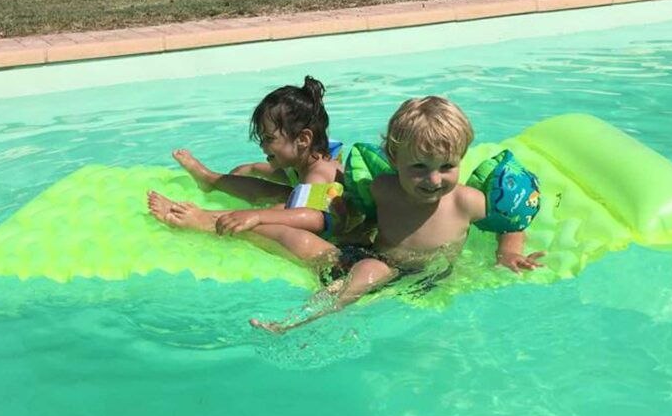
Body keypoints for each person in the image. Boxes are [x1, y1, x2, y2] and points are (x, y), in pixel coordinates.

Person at [249, 96, 545, 333]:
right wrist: (351, 227)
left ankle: (296, 321)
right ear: (394, 159)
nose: (434, 180)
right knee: (303, 242)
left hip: (424, 276)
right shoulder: (383, 188)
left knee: (369, 270)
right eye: (419, 167)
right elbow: (367, 218)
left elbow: (510, 224)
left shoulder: (466, 201)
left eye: (447, 167)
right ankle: (240, 224)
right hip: (376, 258)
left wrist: (509, 253)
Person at [147, 76, 351, 258]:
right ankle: (209, 178)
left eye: (269, 138)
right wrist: (254, 168)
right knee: (273, 191)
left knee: (280, 207)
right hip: (314, 200)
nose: (262, 145)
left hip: (336, 239)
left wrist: (257, 215)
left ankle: (206, 218)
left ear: (303, 139)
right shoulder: (307, 159)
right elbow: (286, 175)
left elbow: (314, 218)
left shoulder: (317, 175)